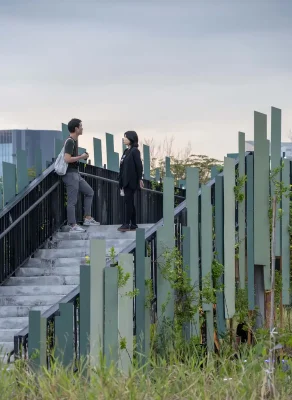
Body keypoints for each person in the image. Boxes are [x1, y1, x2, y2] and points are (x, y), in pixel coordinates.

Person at [63, 118, 100, 232]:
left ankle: (87, 218)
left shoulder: (74, 141)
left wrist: (80, 156)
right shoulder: (70, 141)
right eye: (81, 126)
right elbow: (67, 159)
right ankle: (72, 225)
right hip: (70, 174)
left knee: (90, 192)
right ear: (76, 128)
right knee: (72, 201)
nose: (82, 128)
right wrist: (81, 157)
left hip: (76, 173)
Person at [118, 131, 143, 232]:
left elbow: (139, 166)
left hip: (131, 181)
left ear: (131, 139)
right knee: (130, 202)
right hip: (124, 180)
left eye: (126, 137)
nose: (124, 139)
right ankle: (133, 224)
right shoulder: (126, 151)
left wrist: (140, 179)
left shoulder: (134, 151)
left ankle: (126, 224)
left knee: (128, 202)